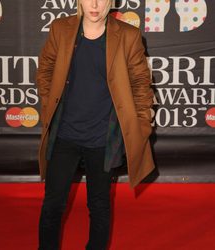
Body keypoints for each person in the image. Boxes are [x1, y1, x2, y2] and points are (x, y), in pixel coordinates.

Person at [36, 0, 155, 249]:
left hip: (103, 138)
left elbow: (142, 85)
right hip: (64, 135)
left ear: (112, 2)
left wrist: (141, 126)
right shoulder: (60, 29)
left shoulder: (128, 36)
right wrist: (50, 104)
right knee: (52, 204)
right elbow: (45, 68)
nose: (95, 4)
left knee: (99, 205)